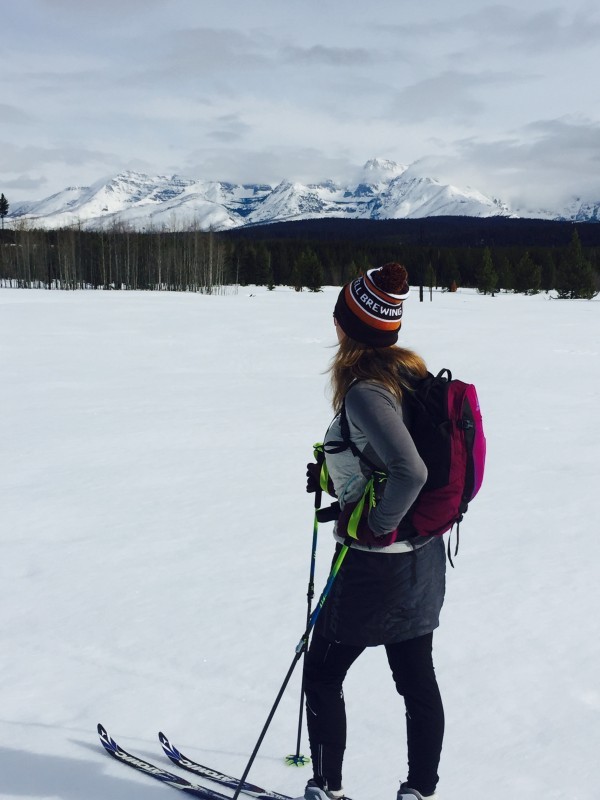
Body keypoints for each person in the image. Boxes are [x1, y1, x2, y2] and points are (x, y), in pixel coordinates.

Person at [302, 263, 446, 800]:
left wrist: (374, 530)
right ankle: (420, 791)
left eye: (339, 313)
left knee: (320, 672)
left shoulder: (367, 390)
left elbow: (411, 472)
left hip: (378, 567)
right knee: (415, 679)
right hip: (422, 560)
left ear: (348, 326)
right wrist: (335, 472)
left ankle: (327, 788)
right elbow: (390, 459)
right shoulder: (409, 375)